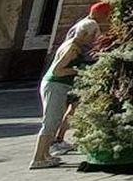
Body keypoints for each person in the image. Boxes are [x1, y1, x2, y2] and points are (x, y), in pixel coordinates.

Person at [31, 16, 103, 168]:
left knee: (55, 120)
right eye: (91, 36)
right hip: (55, 85)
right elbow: (58, 70)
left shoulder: (71, 44)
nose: (92, 40)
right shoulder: (72, 48)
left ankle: (46, 155)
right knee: (50, 121)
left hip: (57, 86)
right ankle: (38, 158)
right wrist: (79, 70)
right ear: (84, 34)